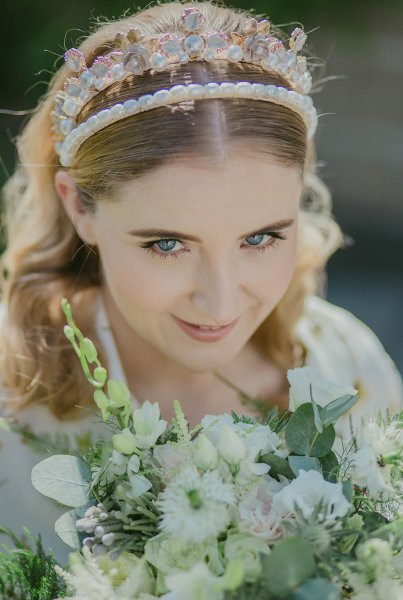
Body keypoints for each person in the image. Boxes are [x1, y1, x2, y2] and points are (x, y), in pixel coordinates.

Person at [0, 1, 402, 566]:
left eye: (261, 238)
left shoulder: (350, 371)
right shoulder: (11, 423)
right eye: (167, 244)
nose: (220, 301)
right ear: (80, 207)